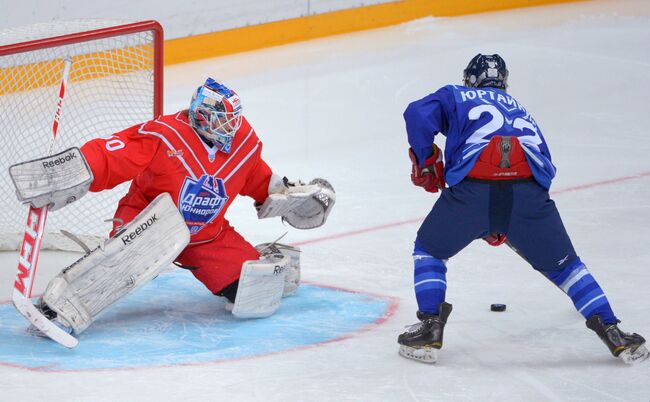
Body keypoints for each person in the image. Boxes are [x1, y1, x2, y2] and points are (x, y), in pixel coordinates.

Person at [10, 77, 335, 338]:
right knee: (131, 255)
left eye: (233, 120)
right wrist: (78, 168)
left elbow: (256, 177)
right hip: (148, 220)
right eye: (223, 122)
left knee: (256, 291)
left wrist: (285, 196)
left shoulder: (244, 144)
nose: (230, 129)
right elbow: (112, 154)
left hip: (206, 236)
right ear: (203, 115)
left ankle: (274, 260)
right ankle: (61, 307)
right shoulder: (164, 135)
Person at [397, 54, 648, 364]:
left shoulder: (456, 94)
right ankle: (613, 332)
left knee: (429, 250)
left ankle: (430, 328)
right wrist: (508, 217)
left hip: (472, 192)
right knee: (566, 267)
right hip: (527, 196)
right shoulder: (521, 109)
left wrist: (426, 159)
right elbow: (544, 165)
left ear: (470, 79)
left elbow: (416, 114)